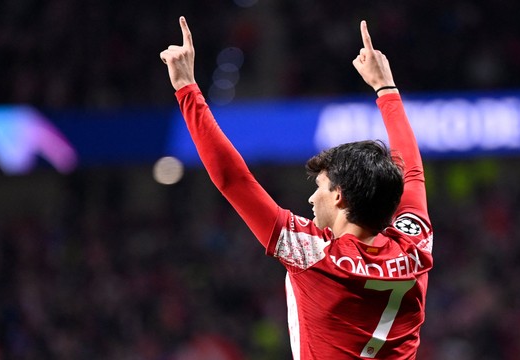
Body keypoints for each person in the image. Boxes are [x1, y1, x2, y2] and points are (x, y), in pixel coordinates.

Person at [160, 16, 433, 359]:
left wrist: (186, 87)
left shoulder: (316, 255)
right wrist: (387, 89)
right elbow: (412, 174)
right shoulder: (414, 245)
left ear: (339, 196)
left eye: (319, 186)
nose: (310, 197)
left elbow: (233, 179)